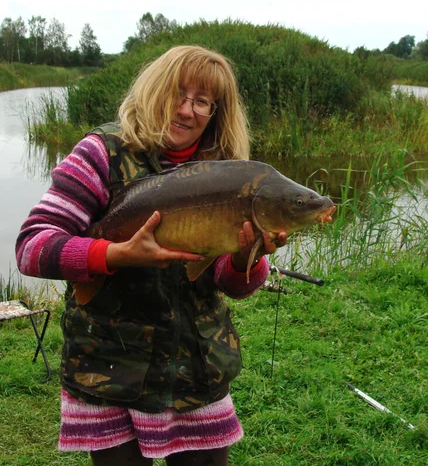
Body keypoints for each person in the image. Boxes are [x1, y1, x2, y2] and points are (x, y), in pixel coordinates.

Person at [16, 45, 287, 466]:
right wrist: (116, 254)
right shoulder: (100, 153)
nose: (187, 110)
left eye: (202, 102)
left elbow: (230, 282)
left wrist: (244, 259)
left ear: (215, 113)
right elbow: (32, 247)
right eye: (178, 94)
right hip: (109, 369)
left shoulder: (228, 172)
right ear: (154, 91)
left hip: (196, 369)